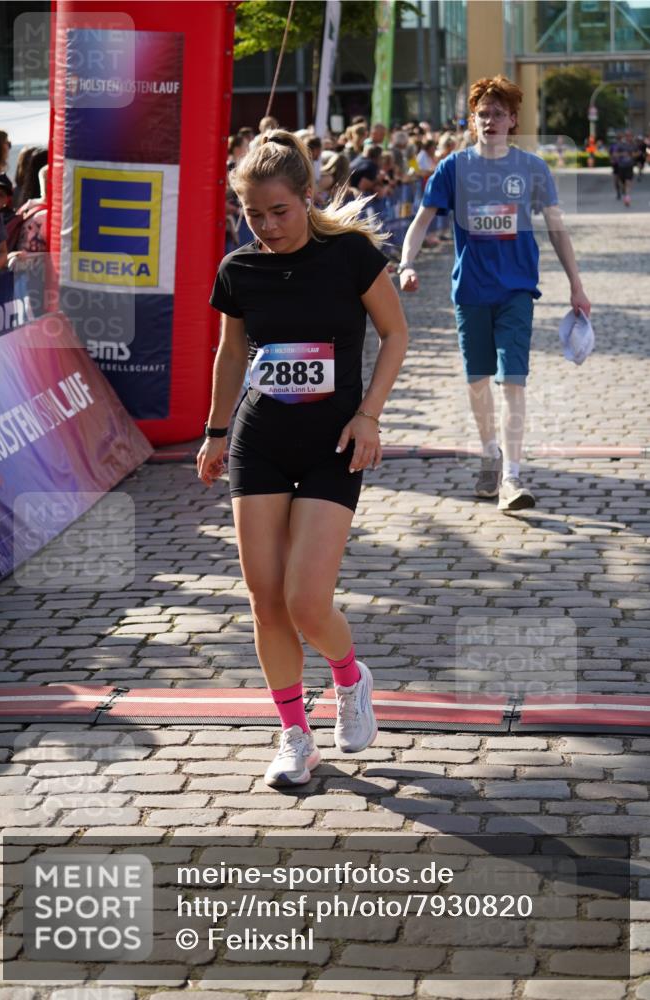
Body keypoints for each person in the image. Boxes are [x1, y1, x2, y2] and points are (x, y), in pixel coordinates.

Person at [199, 130, 407, 787]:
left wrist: (368, 413)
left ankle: (349, 678)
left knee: (305, 601)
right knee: (265, 601)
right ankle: (294, 736)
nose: (265, 226)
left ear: (306, 197)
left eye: (278, 211)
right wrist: (214, 430)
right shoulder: (238, 270)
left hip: (332, 444)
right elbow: (233, 353)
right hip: (259, 442)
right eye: (252, 215)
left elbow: (394, 331)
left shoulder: (347, 256)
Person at [398, 75, 590, 512]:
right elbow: (422, 221)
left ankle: (512, 476)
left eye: (497, 114)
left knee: (512, 380)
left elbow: (557, 228)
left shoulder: (532, 169)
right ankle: (490, 454)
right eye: (482, 114)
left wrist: (577, 285)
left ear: (512, 120)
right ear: (472, 121)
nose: (489, 120)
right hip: (470, 291)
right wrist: (407, 263)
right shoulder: (454, 167)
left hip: (517, 290)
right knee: (478, 380)